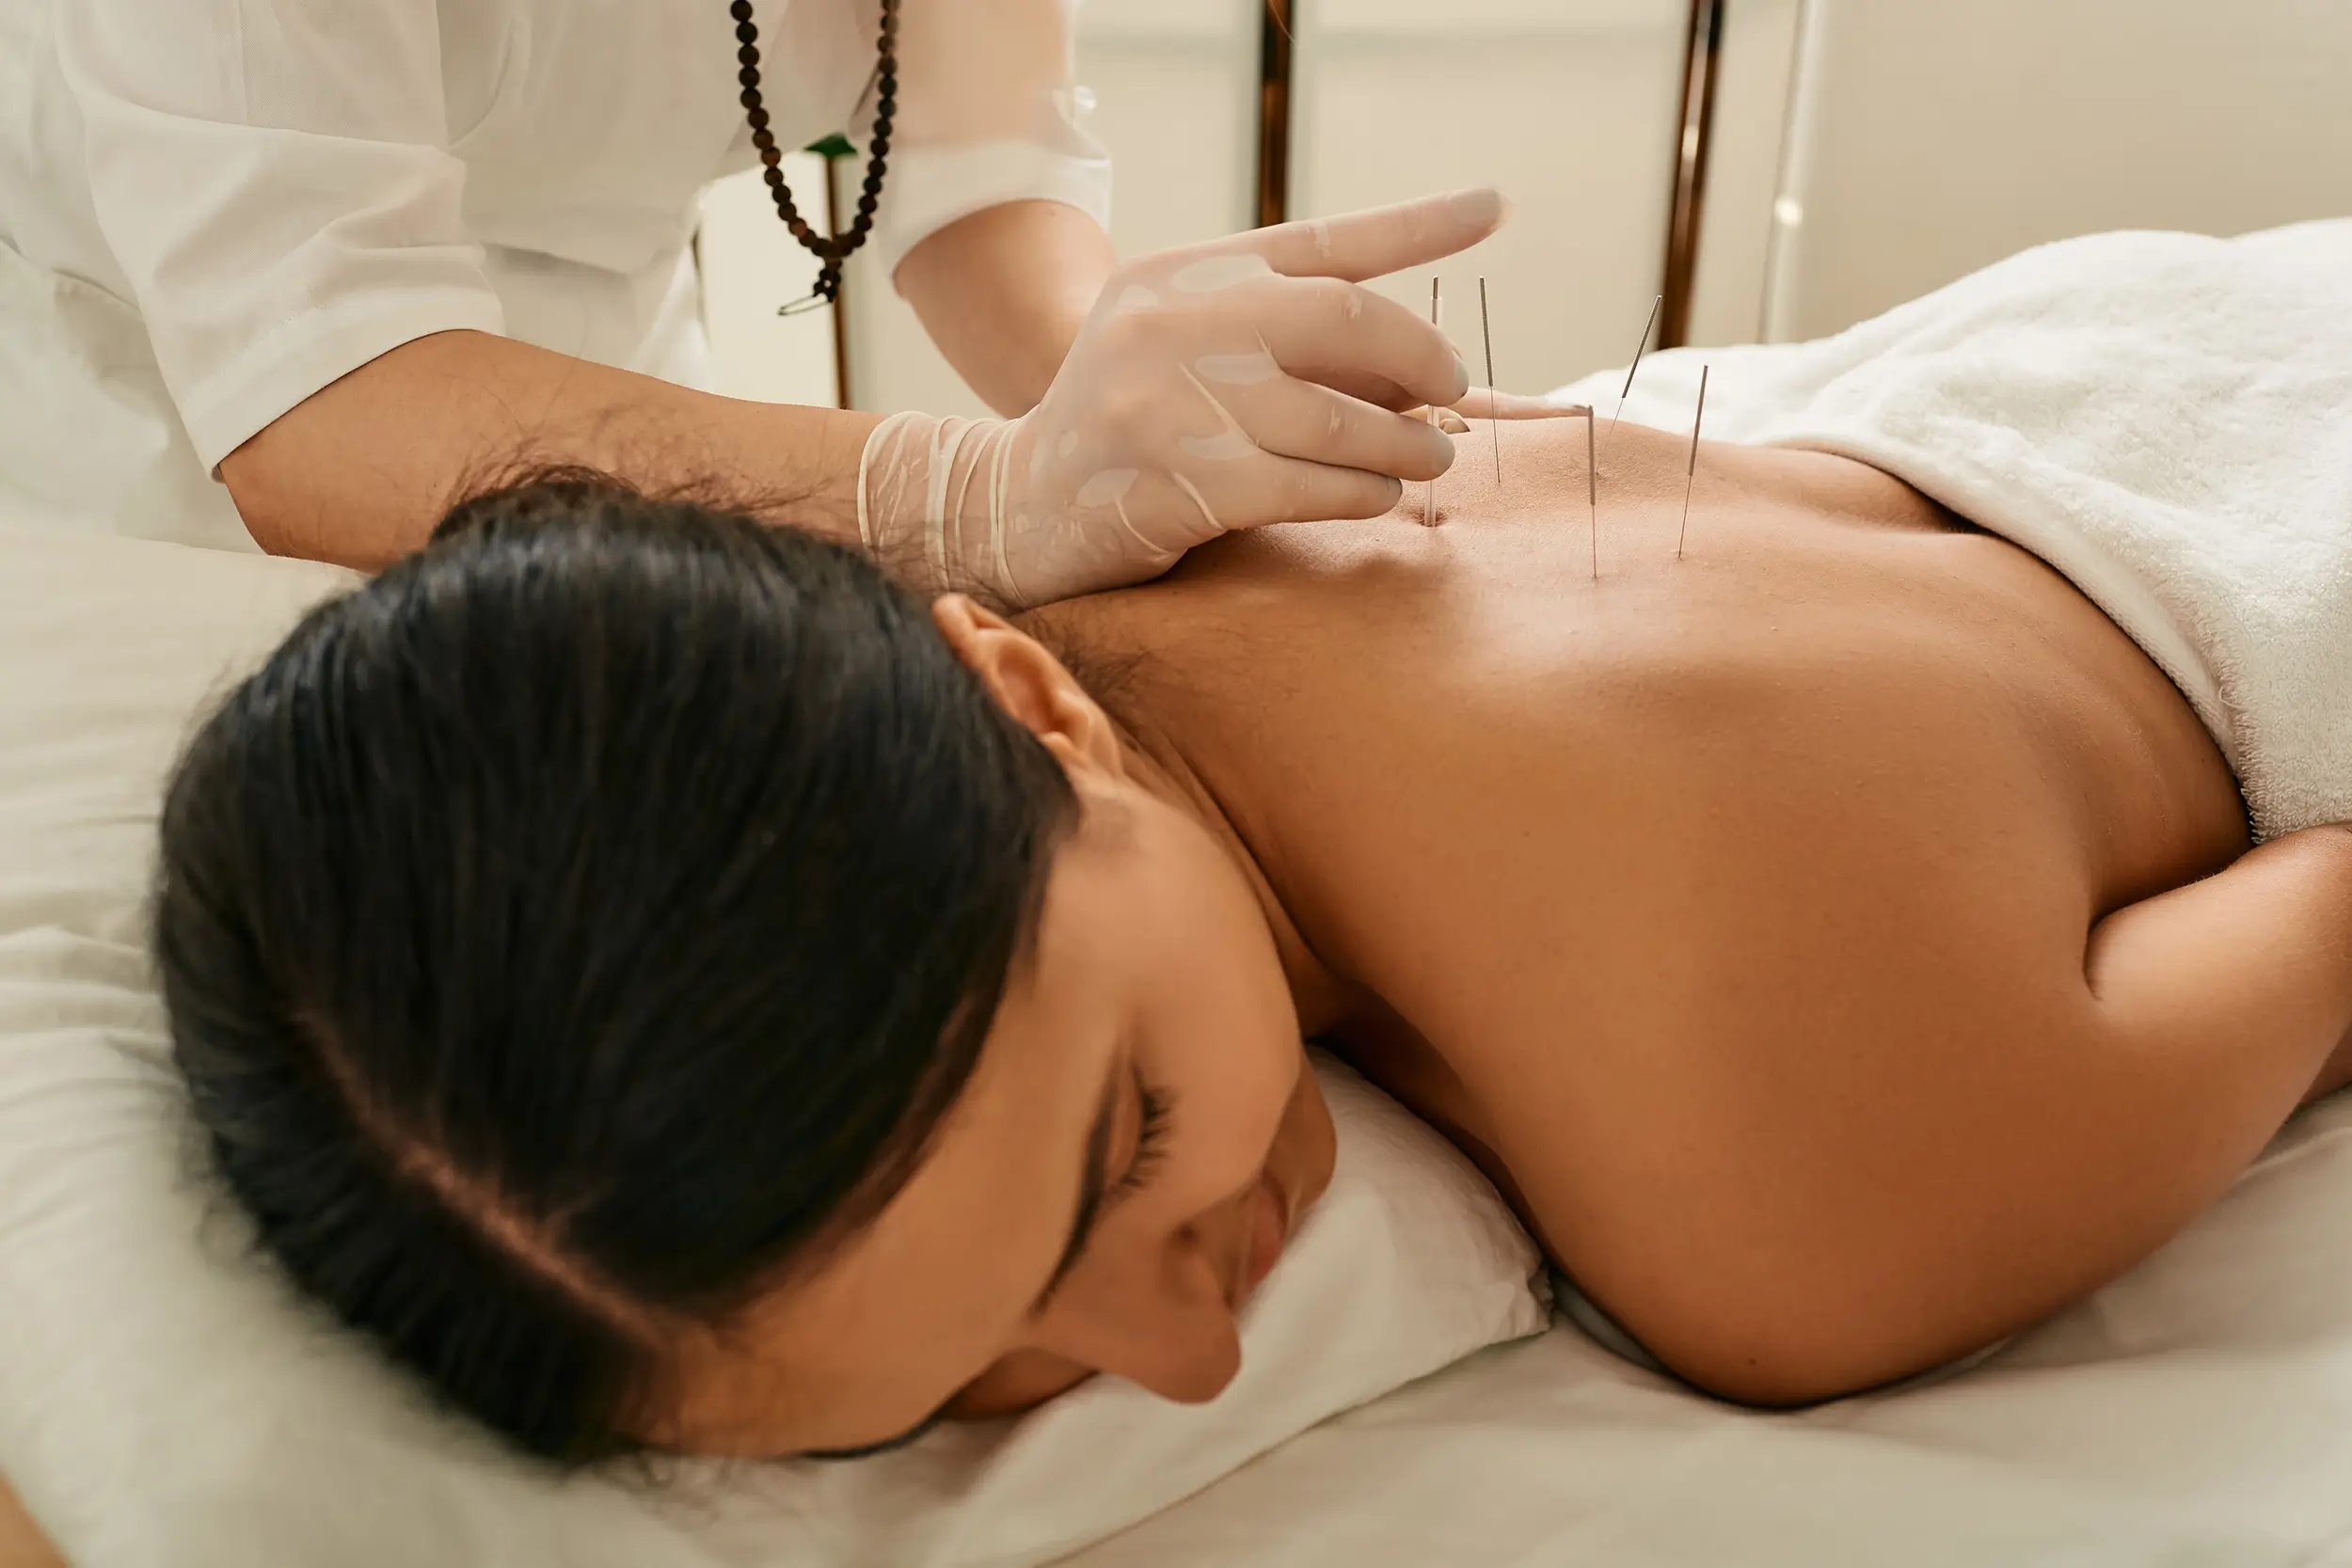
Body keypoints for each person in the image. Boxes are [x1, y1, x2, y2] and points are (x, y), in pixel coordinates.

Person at [152, 357, 2352, 1466]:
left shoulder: (1761, 1183)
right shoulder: (1177, 519)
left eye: (1122, 1142)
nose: (1191, 1350)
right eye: (969, 1389)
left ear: (1022, 700)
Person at [0, 0, 1515, 607]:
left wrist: (1160, 388)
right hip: (158, 454)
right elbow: (314, 399)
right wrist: (972, 495)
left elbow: (978, 178)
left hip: (615, 422)